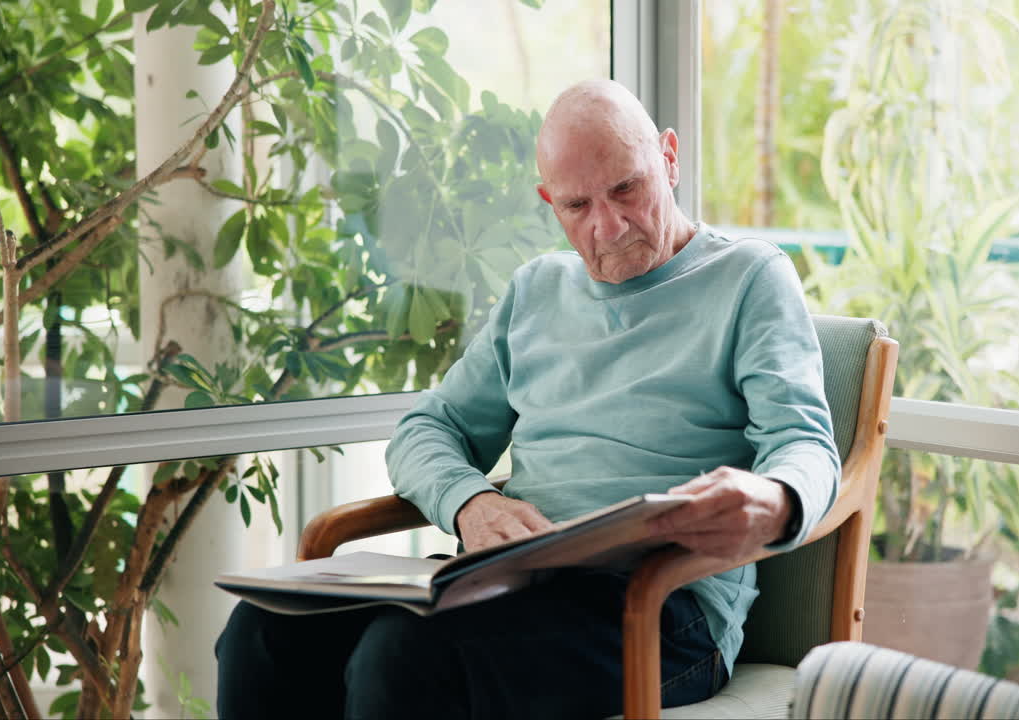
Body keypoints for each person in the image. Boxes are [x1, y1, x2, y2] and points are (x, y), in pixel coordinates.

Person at [215, 78, 840, 719]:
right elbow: (429, 428)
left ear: (669, 158)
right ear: (550, 202)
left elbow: (804, 443)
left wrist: (776, 499)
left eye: (627, 188)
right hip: (508, 585)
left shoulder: (750, 278)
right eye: (577, 205)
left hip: (658, 609)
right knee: (261, 632)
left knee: (405, 655)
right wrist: (471, 503)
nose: (609, 225)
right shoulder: (538, 289)